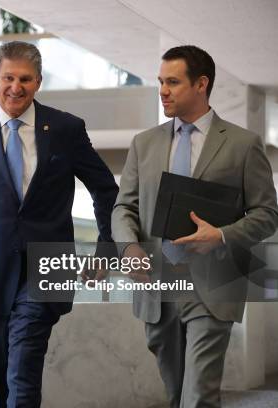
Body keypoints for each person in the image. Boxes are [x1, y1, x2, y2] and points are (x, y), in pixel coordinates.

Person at [0, 41, 118, 407]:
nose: (17, 87)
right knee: (3, 380)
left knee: (22, 374)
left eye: (25, 79)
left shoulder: (66, 129)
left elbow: (107, 191)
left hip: (47, 267)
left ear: (39, 82)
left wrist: (106, 249)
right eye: (9, 77)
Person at [112, 45, 278, 407]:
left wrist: (220, 235)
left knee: (198, 397)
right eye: (160, 82)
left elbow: (267, 214)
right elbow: (124, 206)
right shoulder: (145, 143)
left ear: (201, 84)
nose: (163, 90)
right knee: (177, 397)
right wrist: (130, 247)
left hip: (213, 286)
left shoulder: (242, 145)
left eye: (172, 82)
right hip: (157, 285)